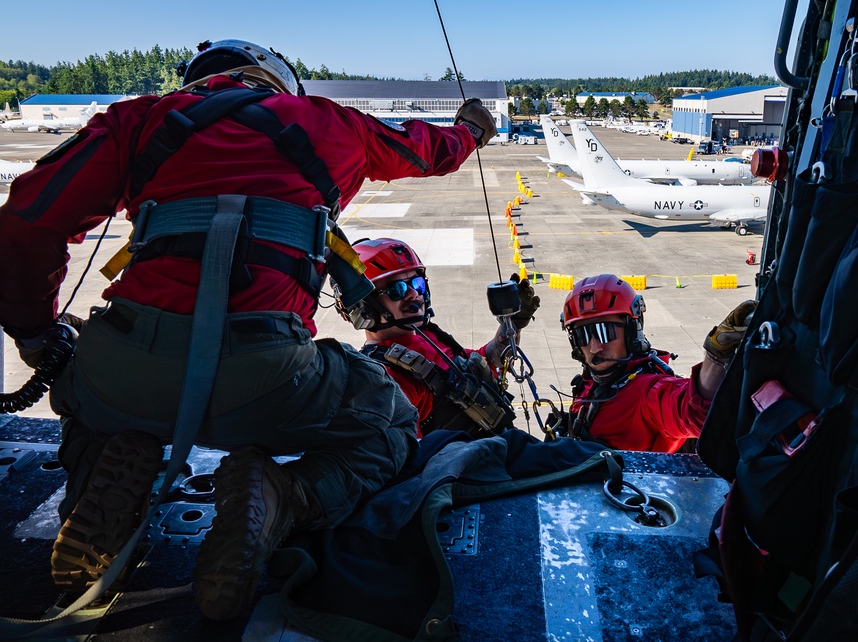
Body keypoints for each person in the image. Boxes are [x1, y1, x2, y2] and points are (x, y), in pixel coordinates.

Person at [0, 39, 497, 620]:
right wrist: (471, 128)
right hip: (266, 372)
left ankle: (99, 487)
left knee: (90, 401)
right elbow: (426, 149)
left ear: (193, 82)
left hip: (132, 357)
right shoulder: (327, 123)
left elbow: (23, 225)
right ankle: (283, 495)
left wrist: (37, 335)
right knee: (390, 420)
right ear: (278, 81)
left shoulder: (135, 121)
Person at [338, 237, 539, 438]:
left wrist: (511, 326)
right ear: (363, 307)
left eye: (417, 284)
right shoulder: (385, 381)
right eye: (396, 289)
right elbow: (414, 460)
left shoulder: (430, 336)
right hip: (477, 464)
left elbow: (481, 363)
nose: (413, 294)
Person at [547, 274, 755, 452]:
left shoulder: (649, 392)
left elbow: (696, 415)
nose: (594, 348)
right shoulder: (594, 381)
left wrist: (715, 357)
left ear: (631, 331)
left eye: (605, 332)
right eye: (582, 336)